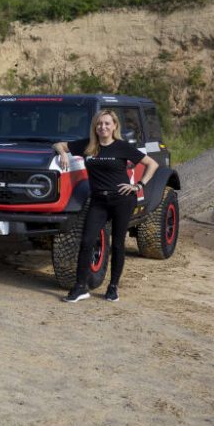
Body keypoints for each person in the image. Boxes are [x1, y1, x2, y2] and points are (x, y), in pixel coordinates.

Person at [55, 109, 158, 303]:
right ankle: (80, 287)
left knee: (117, 244)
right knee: (87, 241)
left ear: (114, 126)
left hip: (122, 200)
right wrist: (63, 154)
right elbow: (58, 144)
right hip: (98, 201)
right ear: (95, 126)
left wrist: (138, 185)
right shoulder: (87, 145)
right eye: (99, 123)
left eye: (107, 123)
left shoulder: (122, 147)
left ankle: (113, 287)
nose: (103, 127)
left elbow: (152, 164)